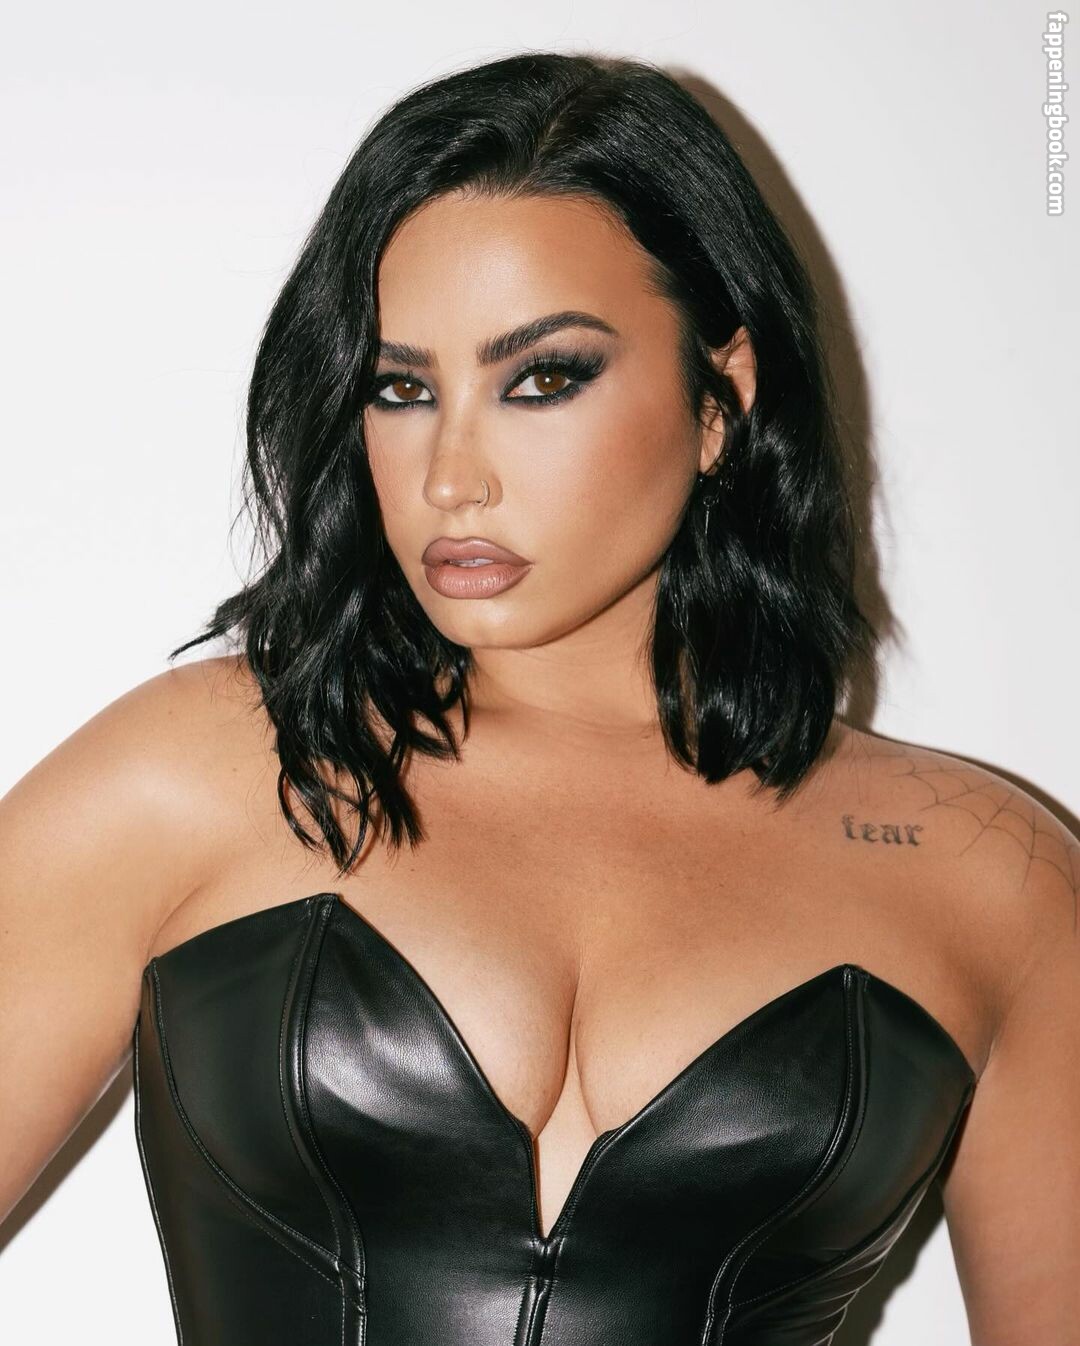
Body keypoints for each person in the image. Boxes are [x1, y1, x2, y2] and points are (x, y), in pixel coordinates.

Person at [1, 49, 1076, 1346]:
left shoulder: (989, 879)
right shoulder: (192, 777)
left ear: (721, 399)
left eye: (543, 378)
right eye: (402, 388)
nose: (452, 475)